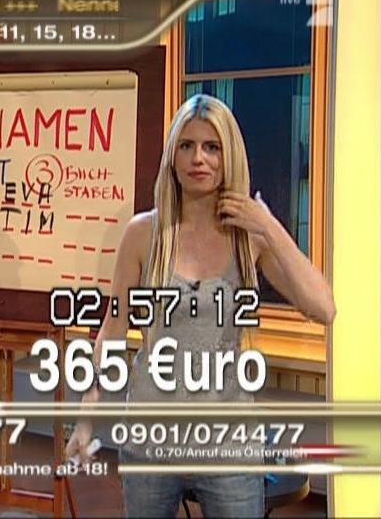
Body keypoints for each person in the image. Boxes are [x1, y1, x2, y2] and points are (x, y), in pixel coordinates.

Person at [65, 94, 335, 518]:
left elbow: (323, 308)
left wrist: (268, 224)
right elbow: (112, 331)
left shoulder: (249, 237)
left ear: (229, 157)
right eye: (187, 146)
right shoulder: (143, 234)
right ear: (172, 157)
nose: (198, 159)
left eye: (212, 147)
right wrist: (85, 417)